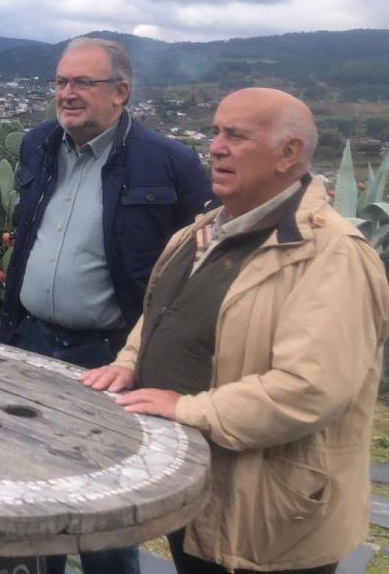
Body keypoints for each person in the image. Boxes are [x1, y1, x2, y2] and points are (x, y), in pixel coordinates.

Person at [82, 88, 389, 574]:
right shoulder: (201, 232)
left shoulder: (332, 256)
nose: (217, 146)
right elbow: (159, 315)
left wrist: (189, 409)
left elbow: (310, 388)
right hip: (199, 488)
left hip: (267, 516)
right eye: (216, 132)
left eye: (236, 135)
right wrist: (127, 365)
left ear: (288, 154)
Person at [0, 37, 212, 574]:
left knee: (109, 510)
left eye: (82, 83)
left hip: (109, 358)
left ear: (120, 91)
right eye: (61, 81)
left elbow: (205, 256)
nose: (67, 94)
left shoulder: (170, 163)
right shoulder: (37, 145)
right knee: (32, 491)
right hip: (30, 344)